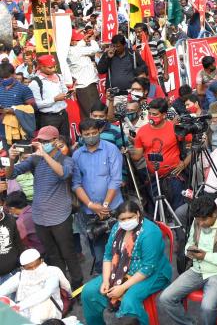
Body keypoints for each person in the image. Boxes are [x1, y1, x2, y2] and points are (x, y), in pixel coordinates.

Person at [6, 126, 82, 290]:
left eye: (46, 141)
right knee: (53, 255)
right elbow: (11, 174)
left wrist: (45, 155)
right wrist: (11, 159)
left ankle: (77, 286)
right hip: (40, 216)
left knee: (68, 253)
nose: (42, 144)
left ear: (56, 141)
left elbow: (63, 174)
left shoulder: (66, 159)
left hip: (60, 215)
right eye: (40, 141)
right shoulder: (35, 159)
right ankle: (62, 289)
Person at [81, 200, 172, 325]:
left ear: (138, 214)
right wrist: (106, 281)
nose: (126, 221)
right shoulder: (117, 228)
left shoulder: (150, 233)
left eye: (130, 217)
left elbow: (148, 268)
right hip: (121, 270)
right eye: (122, 219)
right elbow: (108, 256)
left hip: (152, 273)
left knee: (129, 301)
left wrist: (122, 287)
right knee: (89, 291)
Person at [159, 195, 217, 325]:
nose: (201, 223)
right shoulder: (197, 221)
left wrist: (205, 256)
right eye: (198, 220)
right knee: (166, 298)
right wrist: (190, 250)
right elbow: (189, 242)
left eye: (204, 220)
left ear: (214, 214)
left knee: (207, 308)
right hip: (197, 270)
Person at [72, 118, 124, 274]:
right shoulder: (77, 155)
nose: (91, 136)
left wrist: (105, 206)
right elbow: (76, 184)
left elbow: (116, 179)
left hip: (113, 207)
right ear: (81, 135)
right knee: (98, 248)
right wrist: (91, 205)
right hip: (90, 211)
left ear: (99, 131)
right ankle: (103, 279)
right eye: (87, 134)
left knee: (119, 245)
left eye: (94, 133)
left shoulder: (111, 149)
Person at [0, 249, 71, 323]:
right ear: (23, 268)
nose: (34, 269)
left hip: (51, 312)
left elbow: (47, 292)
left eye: (36, 265)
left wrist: (18, 307)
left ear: (41, 260)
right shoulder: (20, 277)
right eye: (29, 268)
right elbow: (3, 289)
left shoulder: (52, 271)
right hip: (26, 313)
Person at [28, 54, 71, 142]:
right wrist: (54, 99)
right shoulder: (35, 83)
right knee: (50, 143)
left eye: (54, 67)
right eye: (50, 67)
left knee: (65, 141)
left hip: (63, 115)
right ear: (41, 67)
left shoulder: (58, 76)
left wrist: (69, 93)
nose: (53, 69)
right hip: (48, 118)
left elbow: (64, 90)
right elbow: (37, 105)